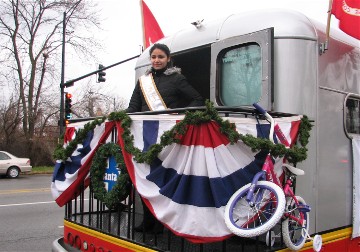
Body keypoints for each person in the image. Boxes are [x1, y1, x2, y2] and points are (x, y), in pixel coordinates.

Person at [126, 43, 204, 233]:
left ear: (168, 59)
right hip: (144, 136)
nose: (156, 60)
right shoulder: (143, 82)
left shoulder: (177, 79)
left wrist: (178, 116)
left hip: (168, 138)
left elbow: (197, 100)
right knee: (145, 178)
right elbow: (133, 107)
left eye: (161, 57)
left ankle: (165, 222)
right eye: (153, 57)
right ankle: (148, 221)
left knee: (164, 179)